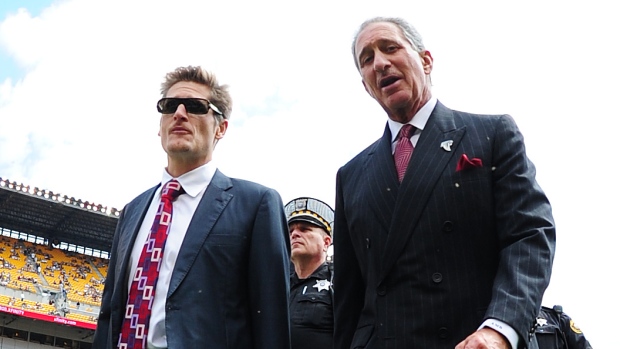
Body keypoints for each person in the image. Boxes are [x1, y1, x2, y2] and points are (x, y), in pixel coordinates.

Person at [333, 16, 556, 349]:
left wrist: (500, 328)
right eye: (366, 59)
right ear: (365, 85)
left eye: (390, 48)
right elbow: (348, 296)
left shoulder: (492, 135)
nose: (380, 63)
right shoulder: (350, 175)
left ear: (426, 60)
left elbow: (529, 236)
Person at [92, 66, 291, 349]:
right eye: (170, 106)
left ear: (220, 128)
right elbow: (109, 315)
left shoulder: (256, 204)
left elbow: (271, 323)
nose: (180, 114)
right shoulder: (132, 211)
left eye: (196, 106)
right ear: (159, 124)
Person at [285, 197, 335, 349]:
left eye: (304, 229)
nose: (294, 234)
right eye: (291, 231)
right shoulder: (276, 285)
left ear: (326, 242)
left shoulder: (338, 282)